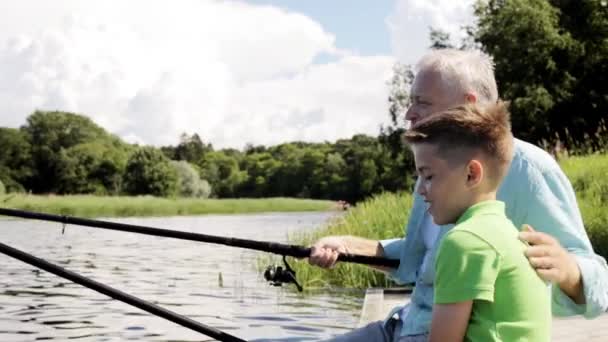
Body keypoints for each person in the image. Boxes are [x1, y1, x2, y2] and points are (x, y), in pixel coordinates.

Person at [312, 49, 608, 342]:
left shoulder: (529, 170)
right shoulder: (435, 167)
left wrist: (569, 270)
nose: (408, 114)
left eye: (421, 102)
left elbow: (599, 286)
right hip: (404, 324)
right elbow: (420, 261)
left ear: (468, 105)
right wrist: (345, 245)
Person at [404, 101, 550, 341]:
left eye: (428, 176)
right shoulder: (507, 232)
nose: (420, 189)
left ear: (472, 174)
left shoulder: (464, 241)